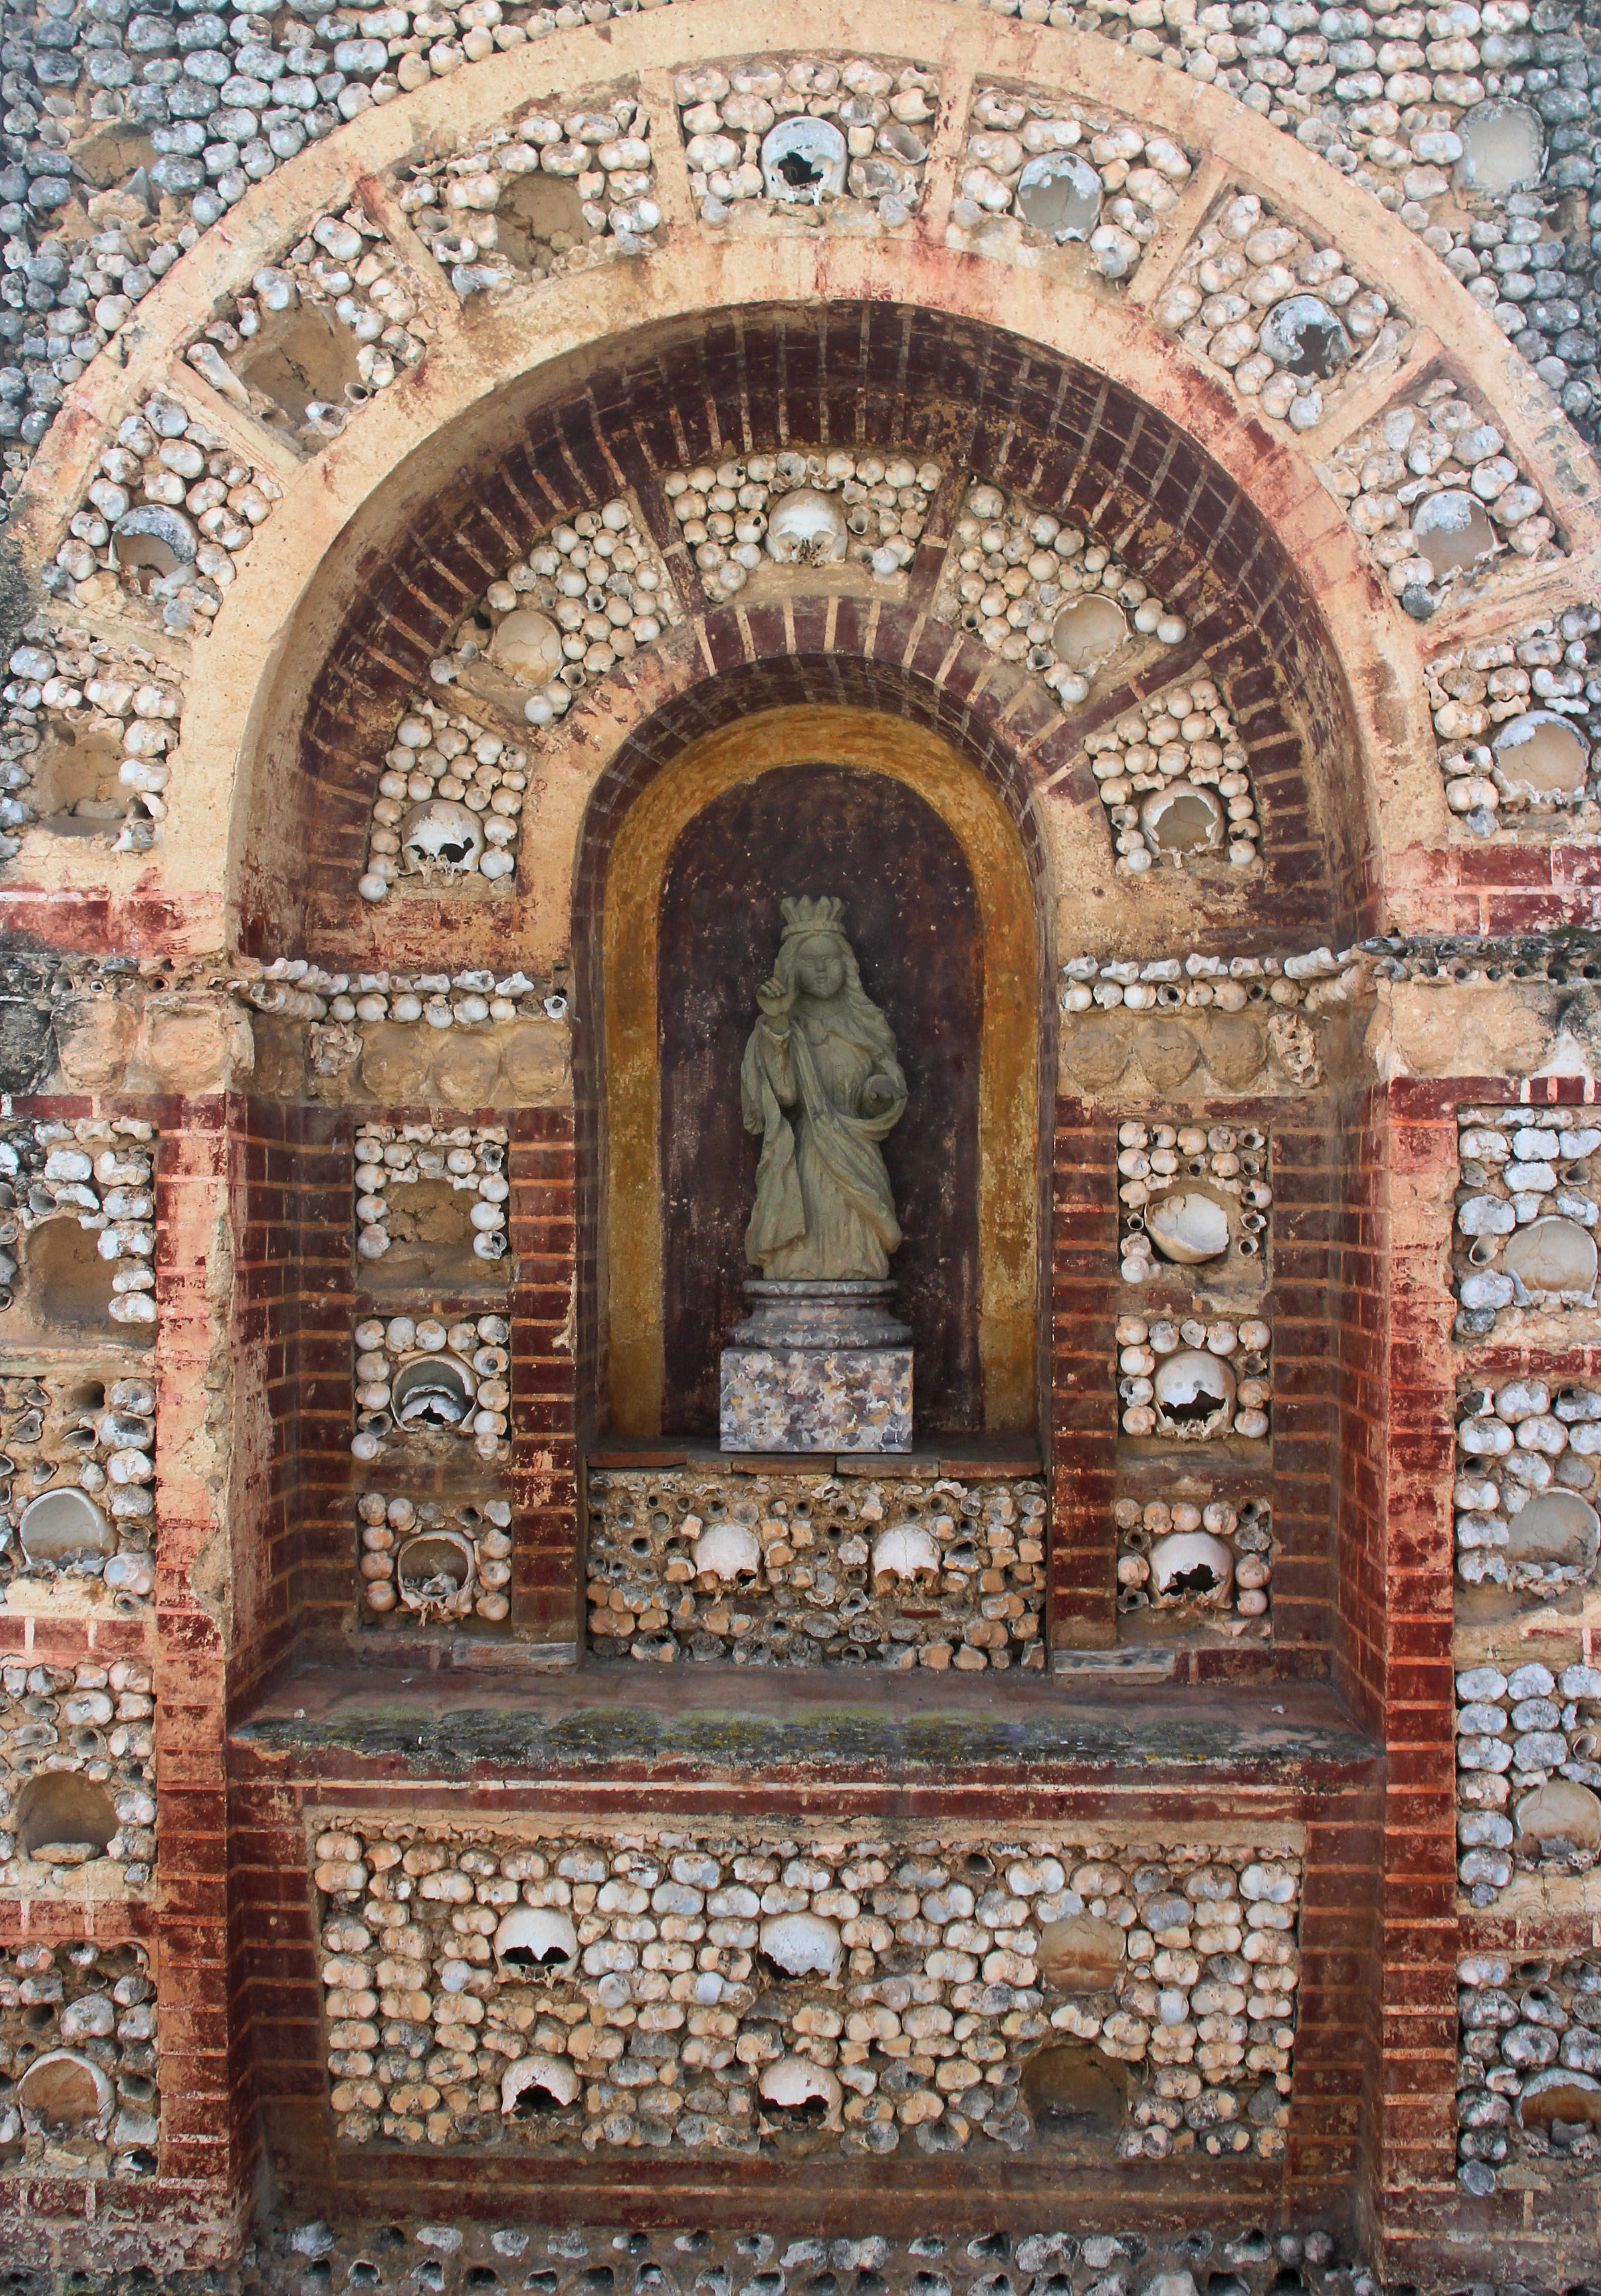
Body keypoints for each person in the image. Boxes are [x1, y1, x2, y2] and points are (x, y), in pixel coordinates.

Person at [739, 895, 907, 1280]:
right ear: (791, 967)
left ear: (846, 967)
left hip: (856, 1145)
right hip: (807, 1148)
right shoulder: (778, 1027)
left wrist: (878, 1091)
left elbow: (890, 1082)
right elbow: (784, 1098)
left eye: (829, 960)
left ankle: (858, 1264)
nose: (820, 969)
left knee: (856, 1236)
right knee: (810, 1210)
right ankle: (800, 1264)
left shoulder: (867, 1023)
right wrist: (779, 1027)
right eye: (809, 961)